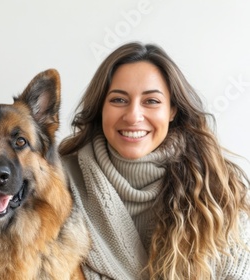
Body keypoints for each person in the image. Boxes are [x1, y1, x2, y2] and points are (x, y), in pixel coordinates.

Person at [59, 42, 250, 279]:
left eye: (151, 101)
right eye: (118, 100)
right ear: (100, 108)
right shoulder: (58, 182)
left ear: (172, 110)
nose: (133, 116)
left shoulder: (218, 190)